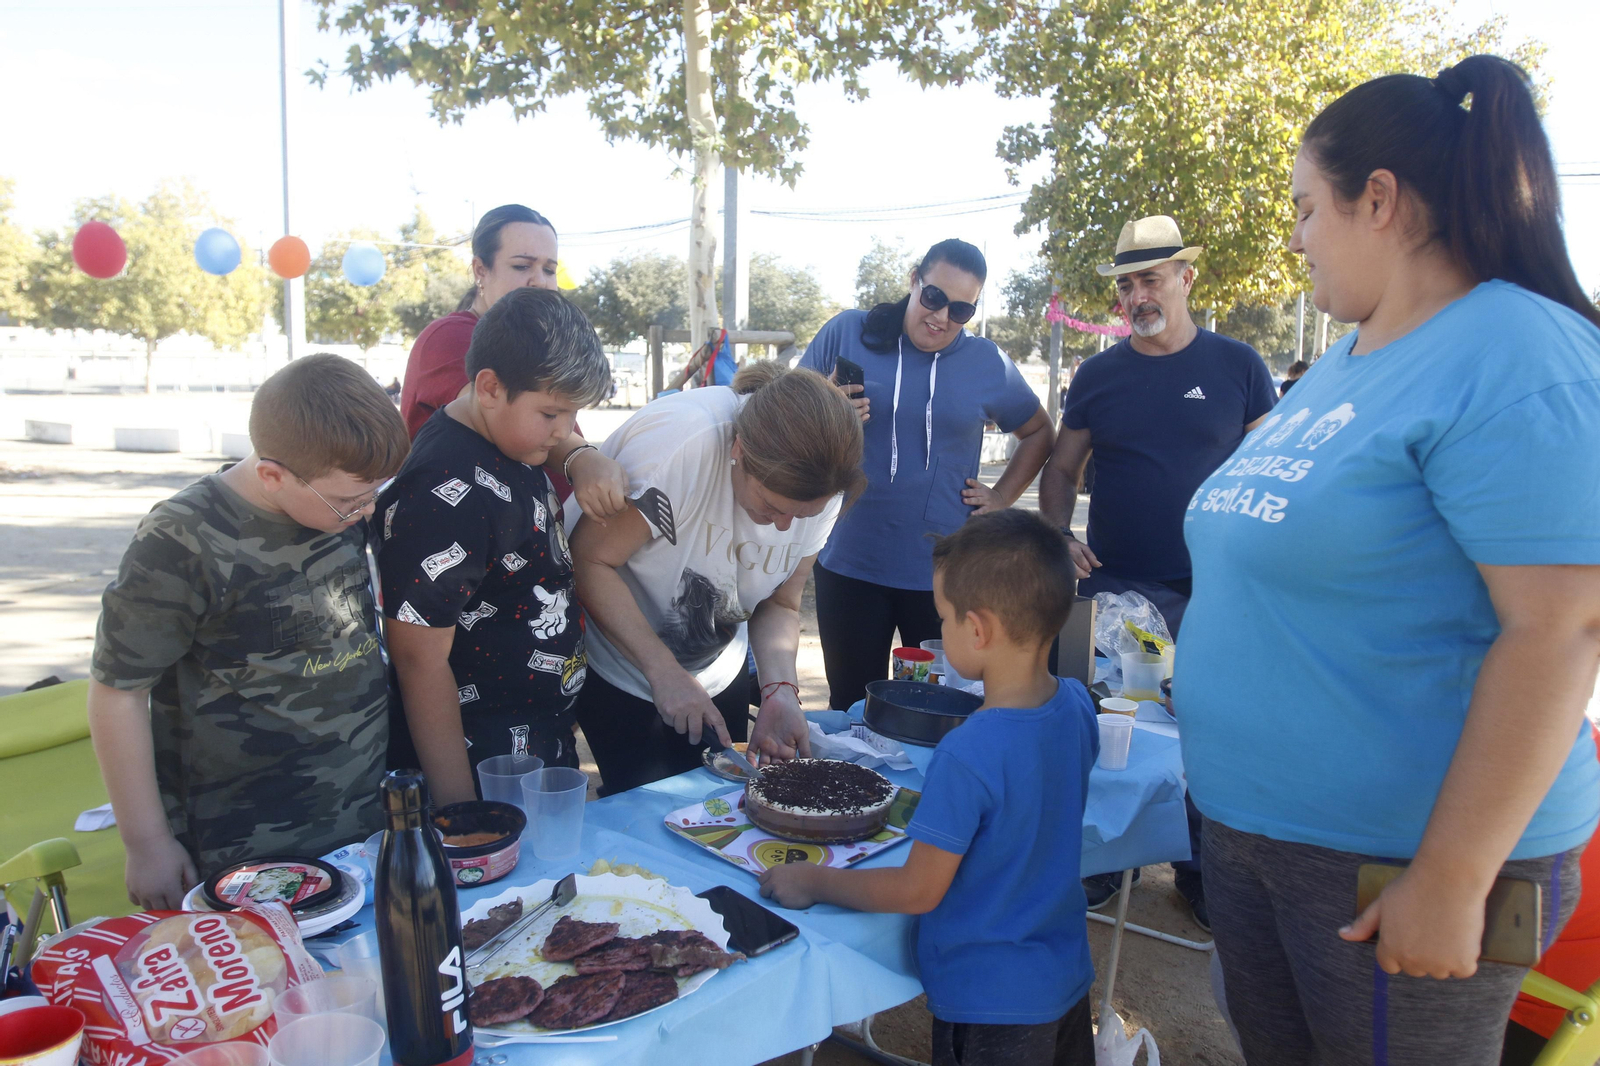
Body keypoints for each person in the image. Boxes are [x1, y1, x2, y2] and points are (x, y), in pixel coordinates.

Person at [1181, 56, 1600, 1066]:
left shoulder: (1517, 350)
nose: (1293, 236)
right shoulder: (1347, 359)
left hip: (1393, 862)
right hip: (1252, 834)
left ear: (1379, 200)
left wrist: (1454, 877)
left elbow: (1561, 628)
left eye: (1305, 207)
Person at [760, 509, 1098, 1066]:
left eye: (943, 617)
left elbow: (918, 891)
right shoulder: (1077, 704)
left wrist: (814, 880)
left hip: (990, 1000)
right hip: (1063, 974)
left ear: (979, 630)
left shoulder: (969, 751)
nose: (940, 630)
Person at [87, 354, 410, 910]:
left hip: (359, 819)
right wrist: (146, 843)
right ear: (272, 474)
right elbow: (117, 693)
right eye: (351, 499)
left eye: (375, 492)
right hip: (244, 846)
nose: (366, 511)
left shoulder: (332, 507)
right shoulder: (183, 538)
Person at [1039, 215, 1276, 928]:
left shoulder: (1239, 366)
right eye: (1127, 284)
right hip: (1118, 597)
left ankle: (1200, 875)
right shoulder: (1100, 376)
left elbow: (1270, 474)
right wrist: (1057, 533)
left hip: (1215, 598)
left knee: (1210, 734)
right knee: (1115, 734)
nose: (1139, 294)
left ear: (1186, 278)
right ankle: (1106, 865)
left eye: (1152, 278)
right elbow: (1060, 466)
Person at [568, 363, 864, 795]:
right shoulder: (683, 445)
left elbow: (779, 603)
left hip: (716, 667)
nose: (782, 528)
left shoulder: (828, 481)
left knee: (718, 807)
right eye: (771, 506)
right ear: (740, 450)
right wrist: (663, 671)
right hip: (618, 664)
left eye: (802, 515)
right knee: (645, 812)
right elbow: (589, 561)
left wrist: (780, 690)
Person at [378, 288, 613, 807]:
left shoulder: (516, 438)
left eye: (572, 415)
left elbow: (547, 436)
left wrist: (582, 455)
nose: (563, 431)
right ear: (488, 387)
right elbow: (419, 661)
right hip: (481, 766)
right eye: (552, 414)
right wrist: (462, 809)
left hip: (538, 740)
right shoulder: (442, 490)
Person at [801, 239, 1056, 712]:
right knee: (852, 710)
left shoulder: (985, 362)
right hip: (849, 564)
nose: (941, 317)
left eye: (960, 310)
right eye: (934, 297)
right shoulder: (848, 331)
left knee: (935, 711)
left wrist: (1001, 496)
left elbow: (1039, 431)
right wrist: (826, 406)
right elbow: (785, 410)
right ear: (914, 281)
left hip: (944, 578)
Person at [397, 204, 618, 510]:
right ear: (480, 270)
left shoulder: (546, 342)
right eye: (521, 266)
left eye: (549, 269)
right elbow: (508, 418)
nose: (539, 281)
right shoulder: (450, 336)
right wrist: (583, 459)